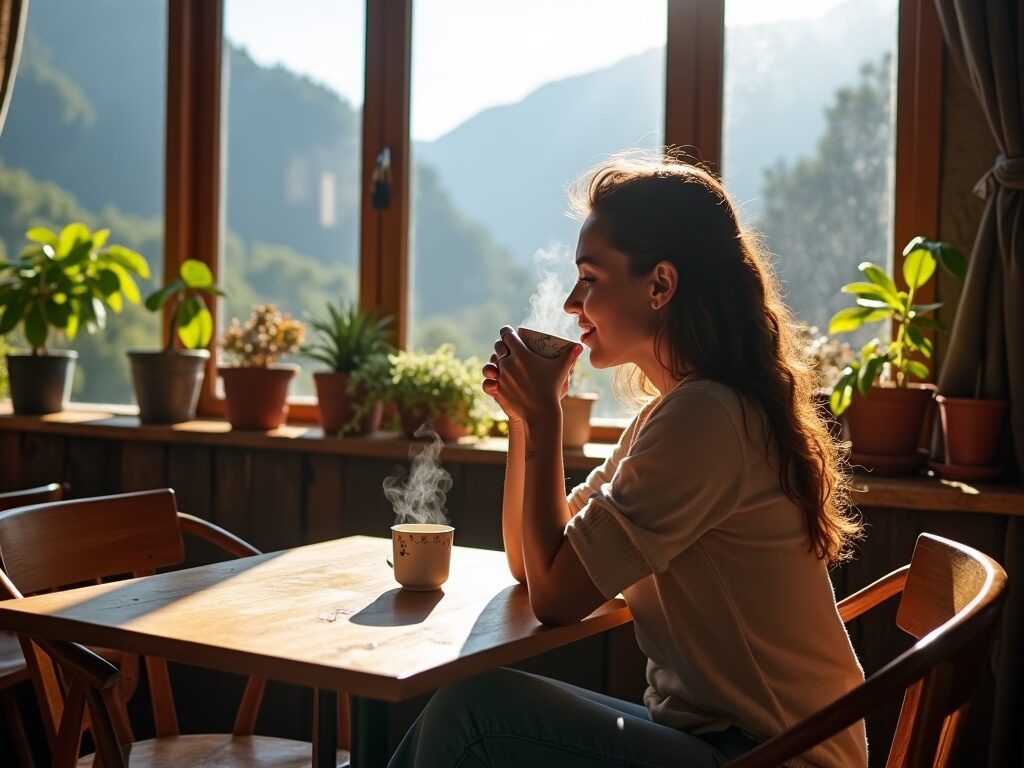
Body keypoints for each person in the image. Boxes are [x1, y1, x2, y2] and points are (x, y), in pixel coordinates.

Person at [388, 154, 867, 768]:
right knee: (465, 714)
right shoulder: (675, 413)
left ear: (660, 285)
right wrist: (524, 417)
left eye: (590, 278)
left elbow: (556, 598)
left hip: (772, 755)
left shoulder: (706, 420)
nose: (570, 302)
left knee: (471, 713)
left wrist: (544, 419)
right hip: (721, 742)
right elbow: (533, 563)